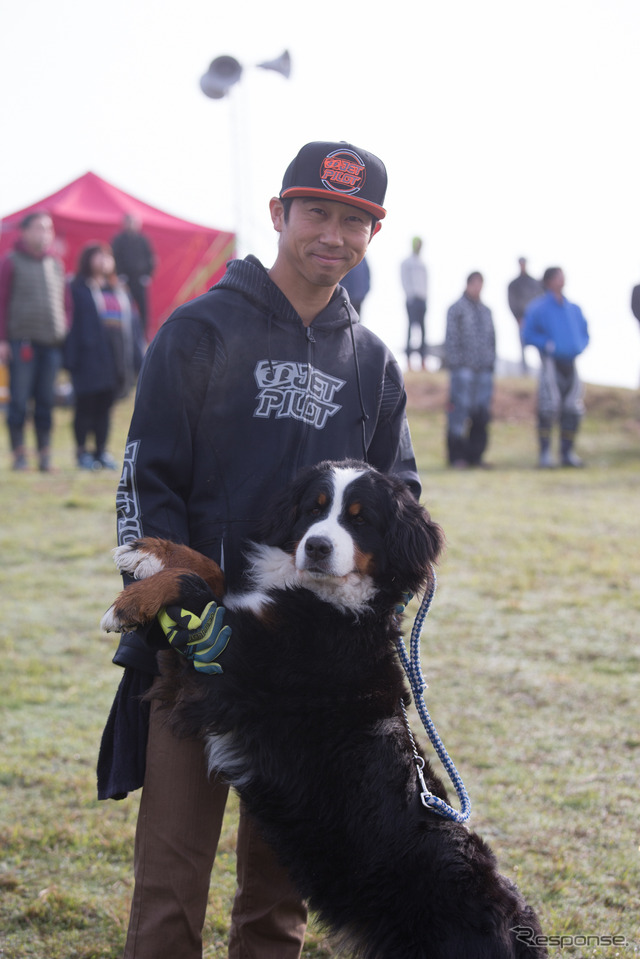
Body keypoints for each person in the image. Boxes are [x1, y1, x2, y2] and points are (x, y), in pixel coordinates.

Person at [98, 140, 421, 959]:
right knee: (171, 885)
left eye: (356, 220)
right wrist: (175, 607)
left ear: (374, 234)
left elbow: (400, 503)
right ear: (280, 214)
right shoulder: (199, 330)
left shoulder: (374, 365)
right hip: (192, 656)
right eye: (317, 211)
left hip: (309, 677)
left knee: (280, 896)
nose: (334, 234)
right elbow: (146, 479)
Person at [0, 212, 69, 471]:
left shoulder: (55, 264)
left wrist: (65, 326)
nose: (44, 233)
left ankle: (45, 455)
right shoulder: (10, 261)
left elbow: (66, 303)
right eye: (39, 227)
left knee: (46, 400)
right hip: (21, 343)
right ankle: (19, 455)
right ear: (25, 231)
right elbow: (1, 300)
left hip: (50, 343)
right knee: (19, 400)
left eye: (48, 228)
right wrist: (2, 339)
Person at [65, 242, 143, 470]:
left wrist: (138, 358)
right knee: (85, 405)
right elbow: (73, 324)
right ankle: (82, 452)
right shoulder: (77, 288)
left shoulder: (120, 290)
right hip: (88, 357)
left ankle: (101, 451)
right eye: (98, 256)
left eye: (107, 257)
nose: (103, 261)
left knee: (105, 406)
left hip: (115, 357)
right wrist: (70, 358)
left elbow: (134, 327)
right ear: (88, 260)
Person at [522, 267, 589, 468]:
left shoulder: (573, 308)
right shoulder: (538, 307)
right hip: (550, 364)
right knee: (548, 407)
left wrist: (579, 346)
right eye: (559, 276)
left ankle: (567, 453)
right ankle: (544, 454)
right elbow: (527, 333)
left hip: (572, 364)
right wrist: (547, 344)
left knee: (572, 408)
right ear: (549, 280)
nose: (563, 279)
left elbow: (585, 332)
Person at [444, 271, 496, 468]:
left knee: (481, 413)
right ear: (468, 284)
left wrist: (490, 364)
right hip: (462, 371)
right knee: (458, 412)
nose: (478, 288)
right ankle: (457, 456)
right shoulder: (456, 309)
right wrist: (457, 364)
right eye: (475, 284)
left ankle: (476, 456)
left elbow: (492, 340)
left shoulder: (486, 311)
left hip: (483, 371)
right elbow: (451, 338)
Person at [111, 214, 155, 339]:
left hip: (140, 280)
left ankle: (143, 335)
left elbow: (151, 258)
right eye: (128, 222)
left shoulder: (143, 240)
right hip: (124, 280)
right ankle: (127, 334)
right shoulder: (119, 239)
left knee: (143, 309)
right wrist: (119, 275)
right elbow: (114, 257)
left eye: (133, 222)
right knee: (125, 306)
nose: (131, 225)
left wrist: (147, 275)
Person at [507, 257, 543, 372]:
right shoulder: (514, 285)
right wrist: (518, 317)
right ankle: (524, 371)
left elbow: (540, 298)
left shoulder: (534, 283)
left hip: (536, 320)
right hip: (522, 319)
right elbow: (511, 301)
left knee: (540, 346)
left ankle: (542, 371)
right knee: (522, 346)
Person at [400, 236, 428, 370]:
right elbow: (404, 279)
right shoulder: (407, 263)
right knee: (410, 330)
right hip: (412, 299)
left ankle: (423, 360)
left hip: (423, 299)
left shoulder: (422, 263)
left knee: (423, 331)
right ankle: (409, 360)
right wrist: (410, 294)